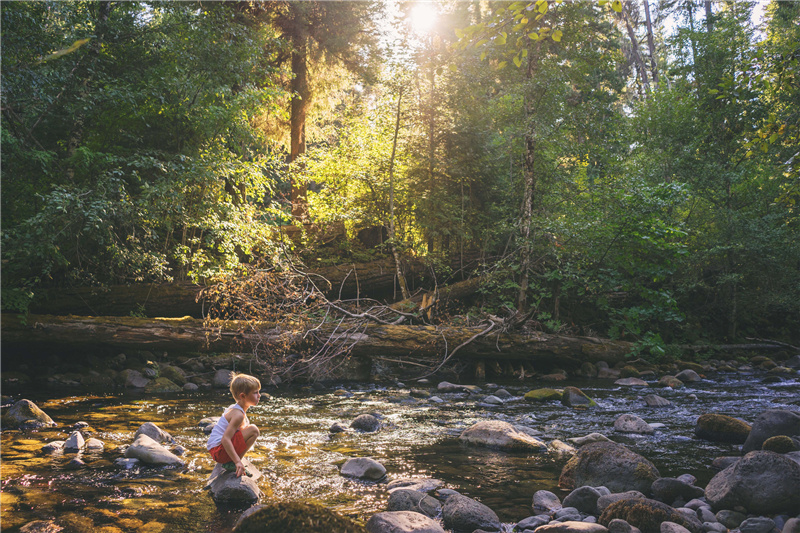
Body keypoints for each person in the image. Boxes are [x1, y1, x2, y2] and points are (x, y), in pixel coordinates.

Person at [206, 373, 261, 477]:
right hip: (218, 451)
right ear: (243, 396)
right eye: (255, 393)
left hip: (216, 450)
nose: (259, 395)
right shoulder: (238, 415)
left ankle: (233, 461)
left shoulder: (236, 408)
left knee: (247, 429)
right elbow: (225, 439)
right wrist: (237, 462)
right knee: (253, 430)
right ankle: (233, 463)